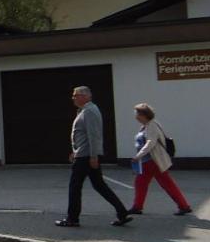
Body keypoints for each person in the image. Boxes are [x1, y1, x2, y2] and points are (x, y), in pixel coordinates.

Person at [56, 85, 131, 227]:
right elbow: (83, 135)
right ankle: (122, 212)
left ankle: (72, 218)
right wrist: (75, 151)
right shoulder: (85, 110)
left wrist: (94, 156)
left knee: (75, 186)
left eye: (76, 95)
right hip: (84, 154)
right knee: (99, 185)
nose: (73, 98)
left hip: (86, 156)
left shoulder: (89, 111)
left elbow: (94, 135)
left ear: (85, 96)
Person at [126, 103, 192, 216]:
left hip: (152, 160)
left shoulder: (151, 125)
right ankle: (183, 205)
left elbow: (150, 143)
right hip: (149, 161)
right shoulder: (146, 126)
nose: (135, 116)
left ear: (144, 114)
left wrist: (138, 156)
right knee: (161, 183)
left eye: (137, 113)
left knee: (144, 183)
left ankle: (137, 206)